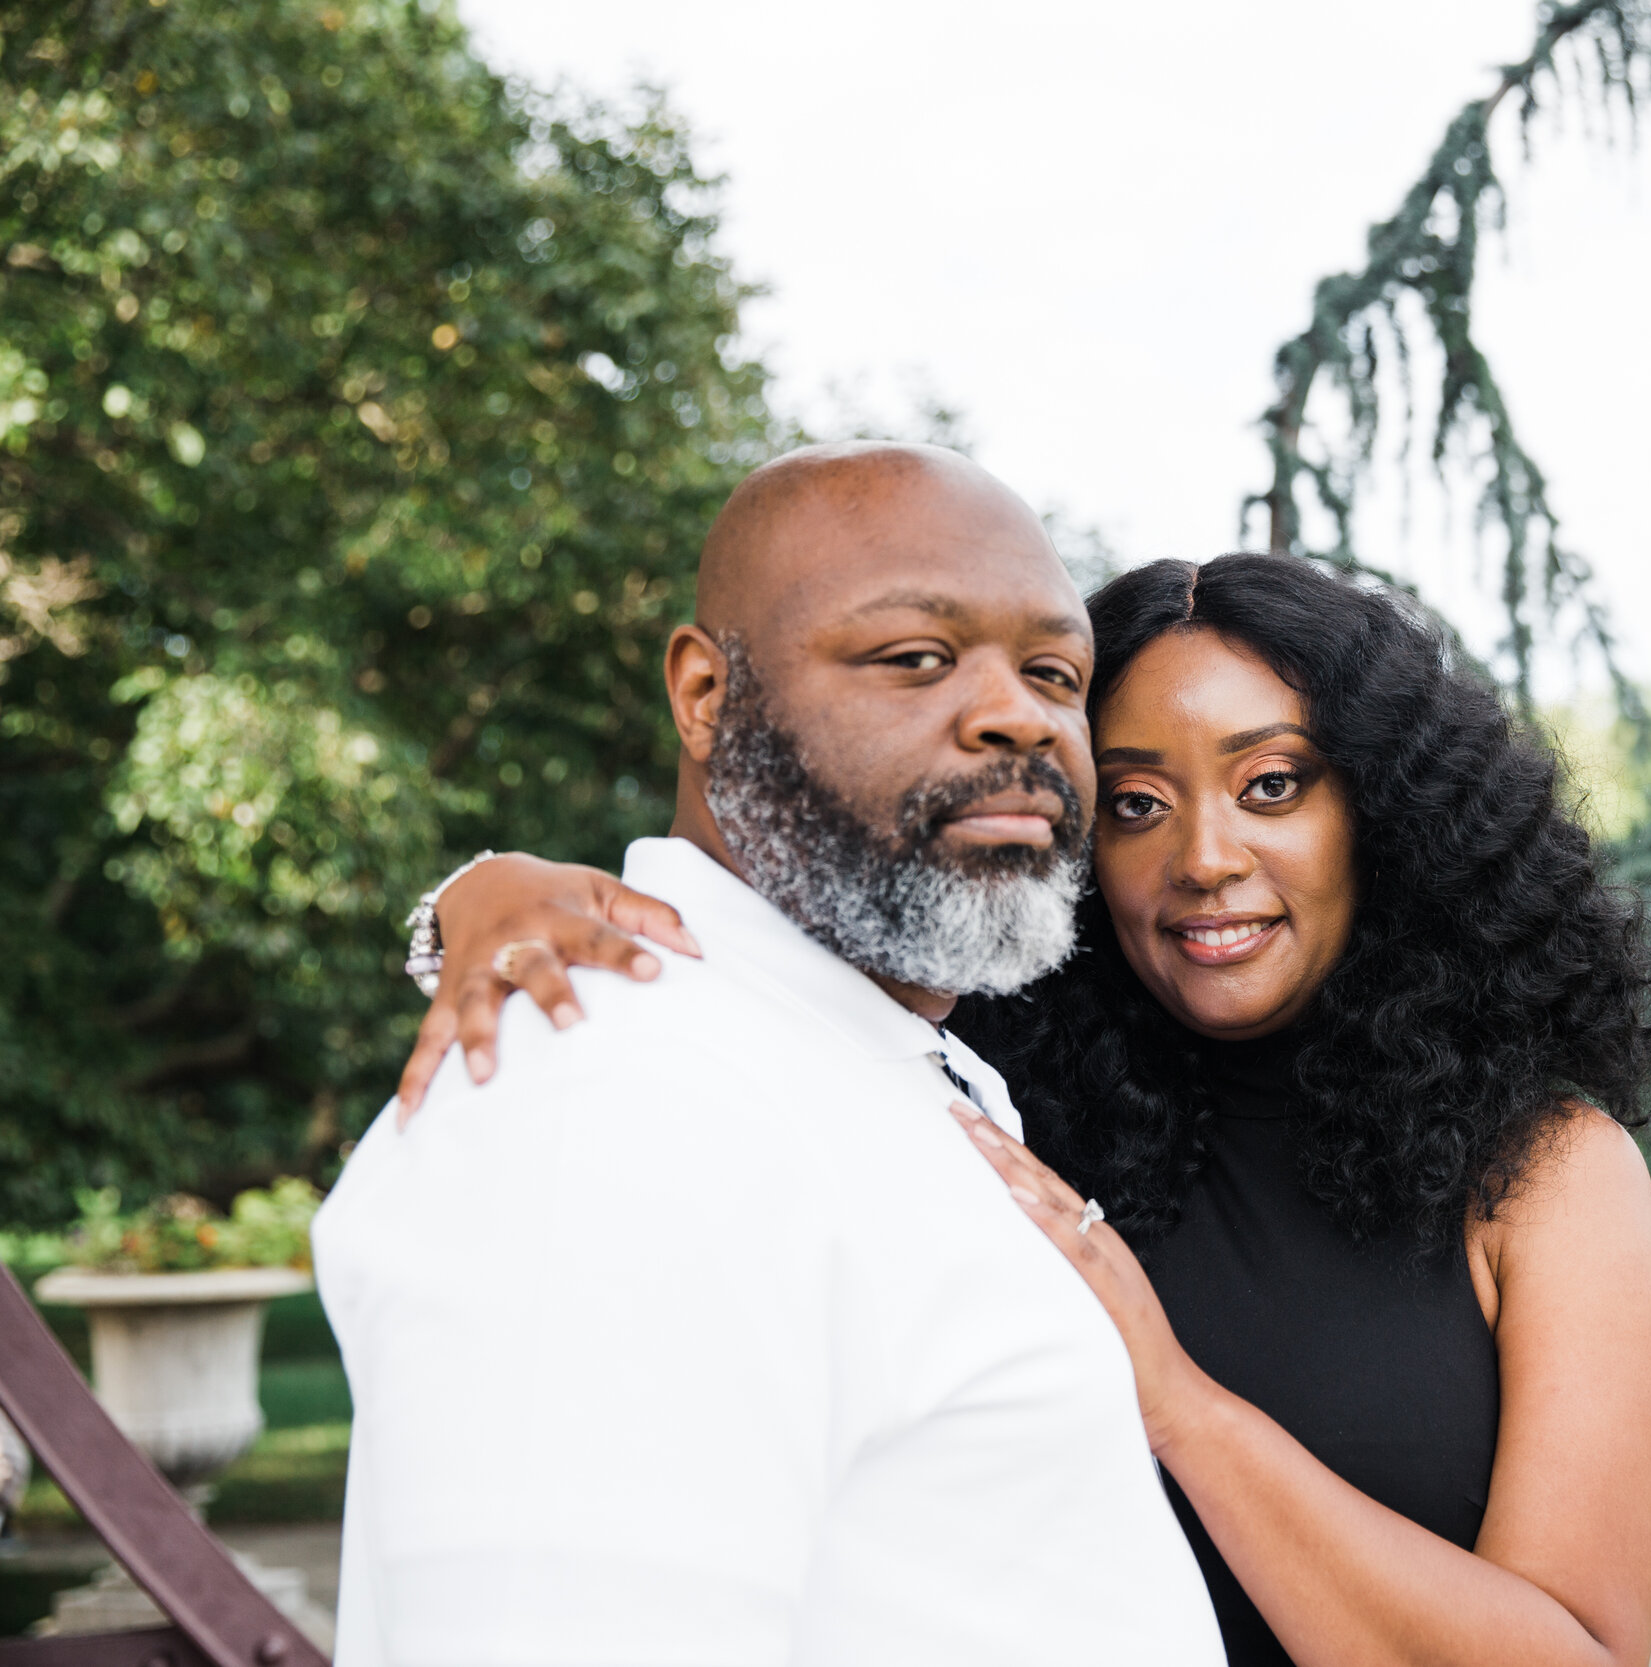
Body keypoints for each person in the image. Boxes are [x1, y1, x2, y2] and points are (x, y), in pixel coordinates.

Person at [404, 551, 1651, 1666]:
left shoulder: (1545, 1172)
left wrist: (1177, 1400)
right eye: (1136, 800)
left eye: (1271, 784)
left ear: (1389, 815)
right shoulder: (984, 1098)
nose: (1201, 857)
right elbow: (744, 964)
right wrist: (487, 889)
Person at [313, 444, 1224, 1666]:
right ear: (704, 693)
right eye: (914, 656)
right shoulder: (622, 1096)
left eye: (1057, 671)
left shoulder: (859, 1056)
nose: (1022, 712)